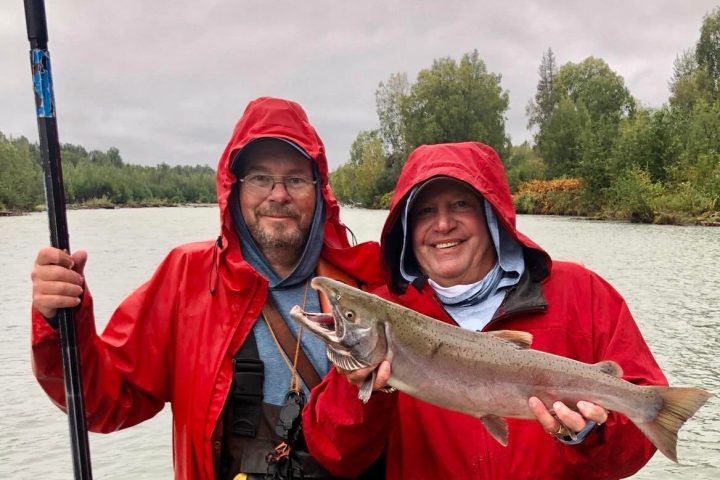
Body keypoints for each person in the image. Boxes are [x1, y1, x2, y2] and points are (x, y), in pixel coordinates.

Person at [30, 96, 385, 480]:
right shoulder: (186, 277)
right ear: (234, 188)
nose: (278, 194)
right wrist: (60, 321)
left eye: (296, 179)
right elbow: (103, 401)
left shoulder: (365, 286)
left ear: (319, 191)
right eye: (260, 177)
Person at [302, 142, 668, 479]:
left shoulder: (582, 292)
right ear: (407, 229)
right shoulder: (386, 313)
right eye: (426, 211)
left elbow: (630, 455)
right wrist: (364, 391)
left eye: (461, 204)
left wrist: (588, 434)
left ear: (492, 216)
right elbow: (336, 456)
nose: (443, 224)